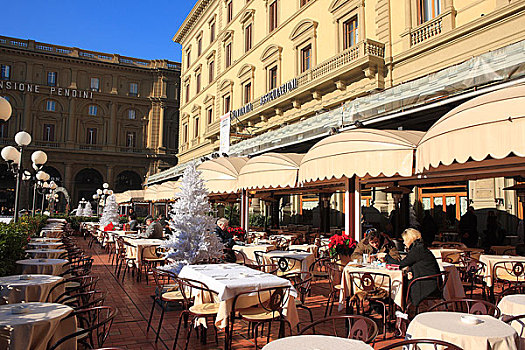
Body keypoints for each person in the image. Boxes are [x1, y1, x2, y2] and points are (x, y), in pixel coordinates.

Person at [384, 228, 441, 307]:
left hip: (427, 284)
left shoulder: (417, 249)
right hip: (431, 281)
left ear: (409, 239)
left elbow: (400, 264)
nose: (403, 243)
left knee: (401, 286)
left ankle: (402, 310)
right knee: (403, 282)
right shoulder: (420, 247)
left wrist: (386, 256)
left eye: (404, 240)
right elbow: (417, 263)